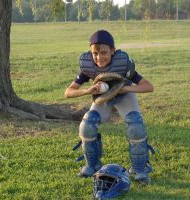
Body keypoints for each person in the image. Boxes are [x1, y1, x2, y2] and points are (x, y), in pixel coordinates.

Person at [65, 30, 154, 184]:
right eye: (95, 53)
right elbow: (68, 92)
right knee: (87, 125)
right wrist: (87, 90)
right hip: (103, 100)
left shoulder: (122, 64)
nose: (99, 57)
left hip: (124, 97)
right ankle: (92, 165)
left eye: (104, 52)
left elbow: (148, 86)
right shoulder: (88, 67)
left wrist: (125, 88)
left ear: (113, 51)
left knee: (136, 126)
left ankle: (139, 169)